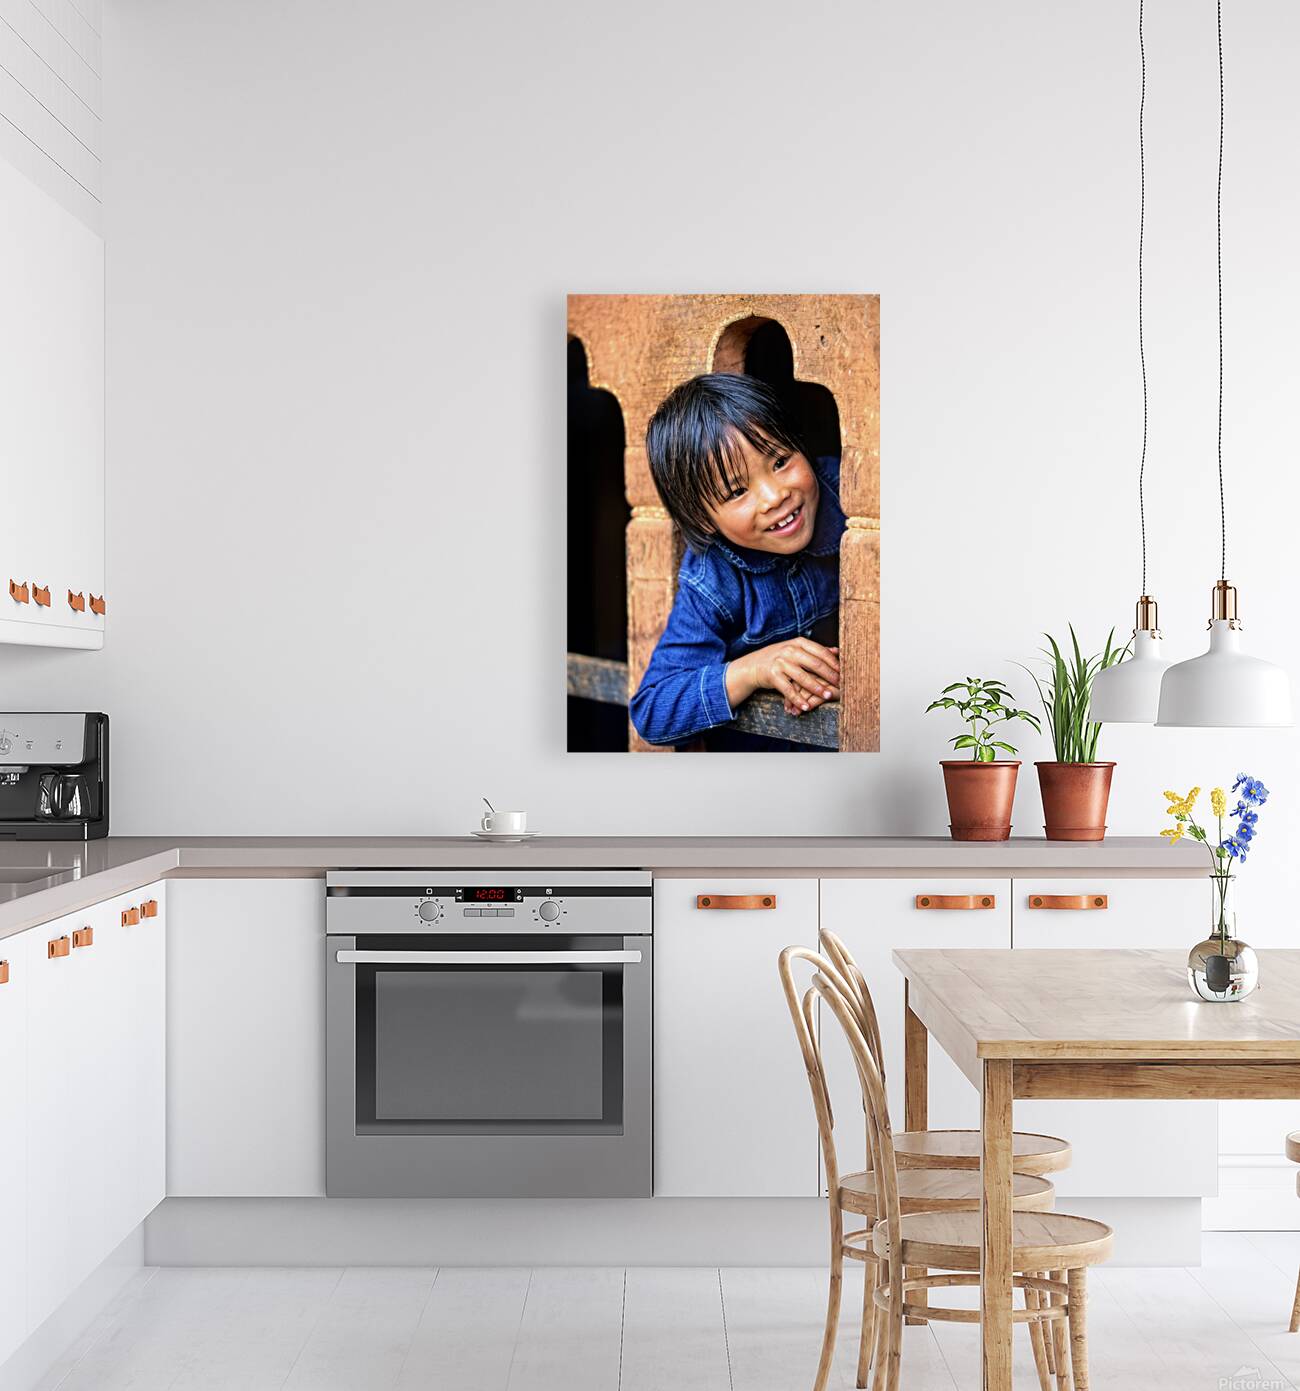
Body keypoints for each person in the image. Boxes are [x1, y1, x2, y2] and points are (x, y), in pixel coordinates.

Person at [629, 373, 844, 749]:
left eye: (780, 461)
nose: (775, 496)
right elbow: (652, 710)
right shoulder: (712, 579)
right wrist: (752, 670)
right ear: (701, 518)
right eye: (737, 491)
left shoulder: (854, 497)